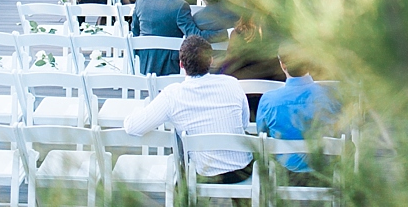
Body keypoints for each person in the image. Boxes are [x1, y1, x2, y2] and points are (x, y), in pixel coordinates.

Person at [125, 36, 253, 195]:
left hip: (205, 173)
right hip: (242, 169)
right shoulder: (231, 83)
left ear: (181, 64)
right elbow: (244, 123)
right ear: (211, 61)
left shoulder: (172, 95)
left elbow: (133, 127)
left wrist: (138, 110)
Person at [256, 49, 340, 179]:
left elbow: (262, 135)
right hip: (325, 170)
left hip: (285, 172)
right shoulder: (331, 95)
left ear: (283, 65)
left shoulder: (269, 100)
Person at [130, 0, 212, 75]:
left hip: (145, 60)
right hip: (171, 65)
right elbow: (194, 35)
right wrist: (223, 33)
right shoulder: (180, 5)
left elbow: (135, 30)